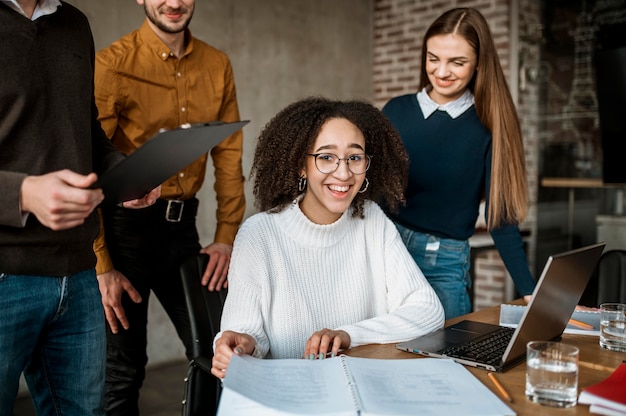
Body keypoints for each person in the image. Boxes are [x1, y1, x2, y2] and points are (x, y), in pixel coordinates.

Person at [0, 1, 158, 415]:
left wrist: (125, 175)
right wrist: (22, 194)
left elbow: (87, 134)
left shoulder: (73, 24)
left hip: (79, 274)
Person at [211, 97, 444, 377]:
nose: (344, 173)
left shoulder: (371, 220)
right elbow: (244, 335)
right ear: (301, 165)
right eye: (326, 157)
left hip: (366, 388)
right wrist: (241, 345)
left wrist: (348, 335)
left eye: (355, 157)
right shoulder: (259, 234)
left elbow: (428, 311)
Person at [93, 0, 245, 413]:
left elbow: (229, 155)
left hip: (183, 230)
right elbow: (88, 163)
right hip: (123, 232)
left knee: (221, 354)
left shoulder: (217, 64)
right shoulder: (111, 63)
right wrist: (102, 265)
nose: (174, 3)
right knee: (122, 371)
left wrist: (226, 237)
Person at [381, 7, 535, 320]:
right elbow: (368, 190)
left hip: (445, 264)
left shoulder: (490, 126)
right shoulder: (395, 111)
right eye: (433, 58)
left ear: (479, 63)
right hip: (386, 250)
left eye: (457, 62)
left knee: (442, 361)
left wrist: (531, 292)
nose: (441, 71)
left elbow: (501, 217)